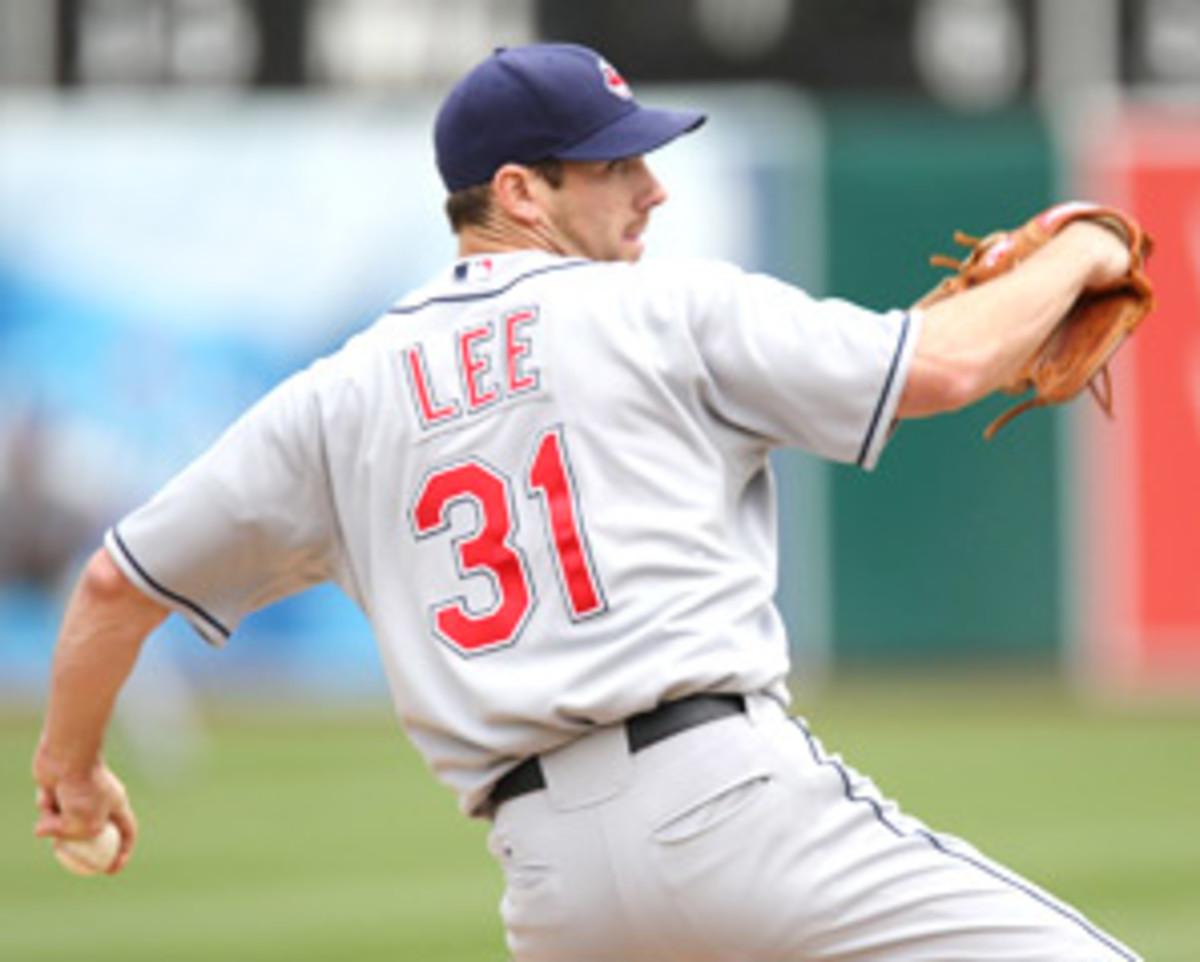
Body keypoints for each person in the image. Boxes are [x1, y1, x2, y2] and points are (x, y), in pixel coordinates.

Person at [33, 43, 1139, 961]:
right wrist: (1083, 245)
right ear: (520, 191)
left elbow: (112, 582)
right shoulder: (663, 312)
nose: (652, 186)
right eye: (614, 164)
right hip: (735, 810)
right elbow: (939, 368)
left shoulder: (337, 397)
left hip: (555, 885)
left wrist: (72, 771)